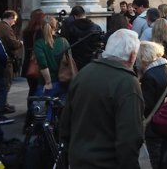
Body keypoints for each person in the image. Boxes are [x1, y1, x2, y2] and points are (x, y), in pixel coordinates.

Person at [59, 29, 144, 168]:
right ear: (132, 56)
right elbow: (129, 137)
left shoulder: (84, 73)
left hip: (78, 159)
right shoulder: (127, 82)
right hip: (107, 163)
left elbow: (65, 122)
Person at [137, 41, 167, 169]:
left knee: (156, 160)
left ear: (144, 58)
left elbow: (146, 105)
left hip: (155, 126)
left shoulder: (150, 75)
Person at [33, 16, 71, 98]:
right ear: (55, 26)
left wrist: (48, 82)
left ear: (41, 27)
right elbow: (69, 61)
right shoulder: (64, 41)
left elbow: (43, 63)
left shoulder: (39, 43)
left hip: (45, 83)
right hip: (63, 80)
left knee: (45, 109)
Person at [60, 5, 103, 70]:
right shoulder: (96, 27)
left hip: (76, 61)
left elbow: (65, 43)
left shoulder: (70, 27)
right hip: (91, 60)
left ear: (74, 16)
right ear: (84, 14)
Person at [0, 10, 21, 114]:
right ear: (10, 17)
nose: (14, 23)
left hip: (1, 58)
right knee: (6, 83)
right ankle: (2, 107)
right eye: (14, 20)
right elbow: (12, 43)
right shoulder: (5, 27)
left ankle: (3, 104)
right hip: (6, 58)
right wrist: (19, 43)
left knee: (4, 83)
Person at [21, 9, 45, 120]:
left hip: (28, 63)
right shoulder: (40, 31)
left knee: (32, 89)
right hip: (36, 64)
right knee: (37, 90)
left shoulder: (26, 31)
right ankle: (33, 115)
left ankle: (30, 114)